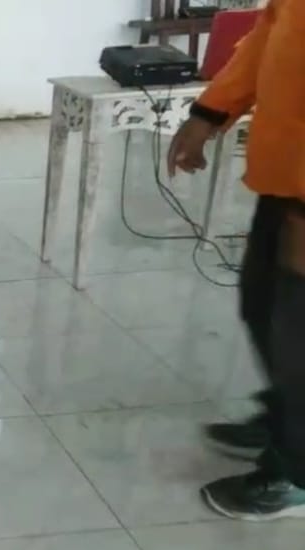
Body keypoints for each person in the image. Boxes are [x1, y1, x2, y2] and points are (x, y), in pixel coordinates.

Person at [168, 0, 305, 519]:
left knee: (298, 327)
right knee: (263, 304)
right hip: (287, 179)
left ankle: (296, 471)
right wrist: (208, 114)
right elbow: (266, 43)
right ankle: (288, 421)